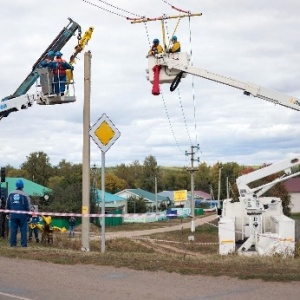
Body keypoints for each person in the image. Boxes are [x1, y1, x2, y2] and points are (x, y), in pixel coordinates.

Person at [5, 179, 31, 247]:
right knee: (23, 230)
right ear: (23, 186)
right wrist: (29, 215)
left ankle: (13, 244)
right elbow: (28, 206)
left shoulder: (10, 194)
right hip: (23, 215)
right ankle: (23, 245)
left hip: (13, 215)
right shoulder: (25, 194)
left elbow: (7, 204)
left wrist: (7, 213)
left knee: (13, 230)